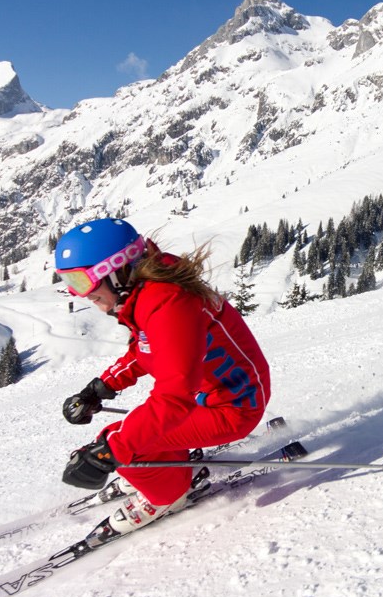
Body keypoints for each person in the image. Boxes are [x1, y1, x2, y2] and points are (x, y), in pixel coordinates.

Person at [53, 217, 271, 543]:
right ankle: (158, 467)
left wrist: (113, 450)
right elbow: (147, 350)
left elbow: (174, 396)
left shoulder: (169, 305)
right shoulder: (152, 294)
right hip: (214, 397)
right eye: (68, 281)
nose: (80, 294)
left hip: (233, 408)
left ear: (116, 271)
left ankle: (168, 495)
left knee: (120, 440)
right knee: (127, 440)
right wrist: (100, 388)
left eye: (82, 281)